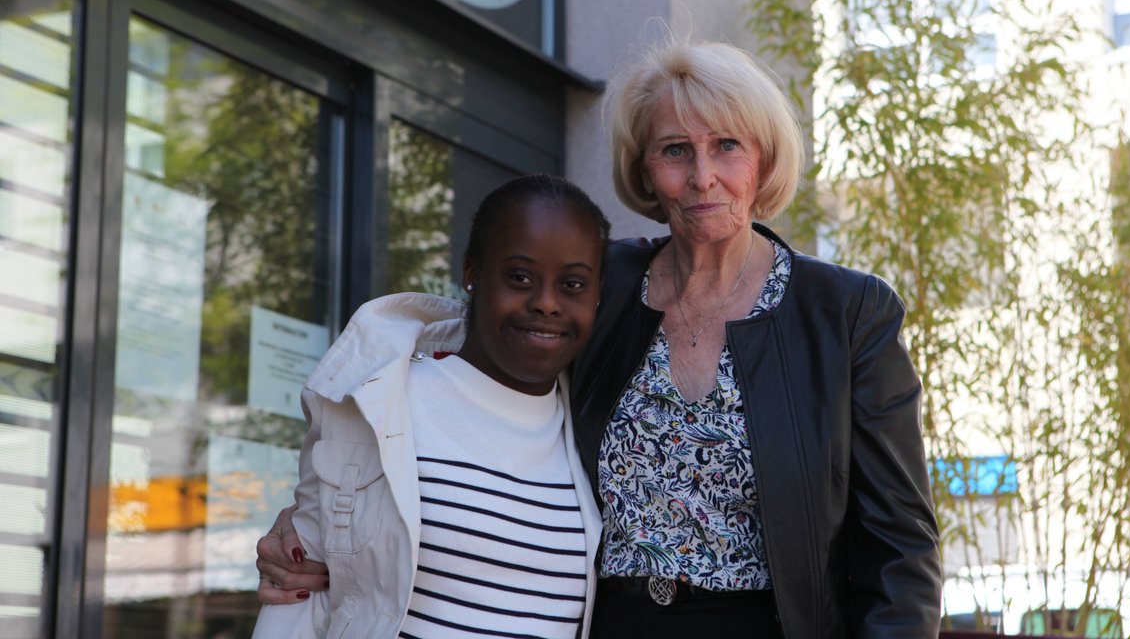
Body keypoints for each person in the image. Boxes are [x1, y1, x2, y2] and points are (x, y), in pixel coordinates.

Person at [257, 41, 942, 637]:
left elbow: (899, 545)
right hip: (607, 623)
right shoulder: (603, 286)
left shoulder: (847, 311)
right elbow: (467, 366)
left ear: (763, 160)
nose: (702, 176)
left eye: (727, 146)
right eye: (676, 150)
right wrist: (328, 516)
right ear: (644, 171)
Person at [252, 174, 610, 638]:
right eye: (520, 277)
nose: (546, 303)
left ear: (598, 294)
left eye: (573, 284)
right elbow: (296, 598)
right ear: (472, 273)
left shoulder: (599, 433)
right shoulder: (380, 405)